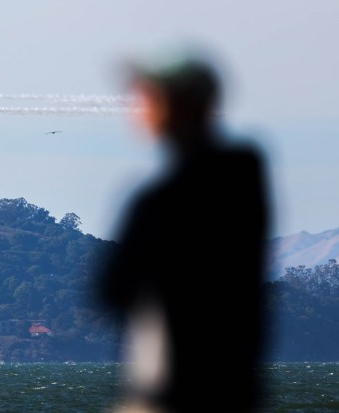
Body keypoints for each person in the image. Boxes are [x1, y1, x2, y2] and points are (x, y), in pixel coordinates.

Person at [99, 51, 269, 413]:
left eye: (148, 98)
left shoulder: (159, 200)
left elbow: (112, 290)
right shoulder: (244, 174)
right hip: (235, 390)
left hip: (171, 393)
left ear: (166, 110)